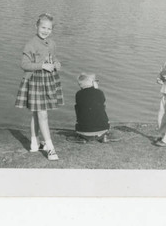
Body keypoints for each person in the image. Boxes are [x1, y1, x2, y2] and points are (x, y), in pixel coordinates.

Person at [14, 13, 64, 160]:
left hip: (48, 80)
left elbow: (53, 58)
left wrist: (56, 64)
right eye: (43, 27)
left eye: (49, 28)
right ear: (36, 26)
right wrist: (42, 65)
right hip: (35, 80)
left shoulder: (52, 43)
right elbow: (24, 65)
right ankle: (50, 148)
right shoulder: (30, 44)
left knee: (37, 113)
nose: (45, 31)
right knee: (43, 114)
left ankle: (34, 143)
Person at [74, 73, 111, 143]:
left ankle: (83, 138)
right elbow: (101, 103)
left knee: (79, 108)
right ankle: (103, 137)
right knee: (101, 107)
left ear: (80, 85)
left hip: (83, 131)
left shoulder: (78, 94)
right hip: (103, 130)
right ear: (92, 83)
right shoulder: (100, 92)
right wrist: (96, 88)